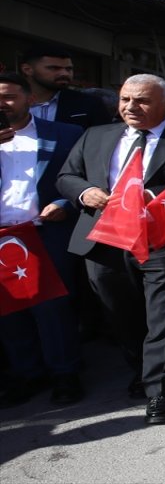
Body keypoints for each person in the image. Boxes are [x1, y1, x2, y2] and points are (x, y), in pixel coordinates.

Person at [56, 74, 165, 423]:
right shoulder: (96, 135)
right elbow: (67, 177)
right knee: (121, 311)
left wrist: (151, 196)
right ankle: (141, 367)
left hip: (161, 238)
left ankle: (160, 391)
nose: (131, 107)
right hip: (105, 238)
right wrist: (86, 193)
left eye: (142, 100)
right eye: (125, 99)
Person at [0, 74, 84, 408]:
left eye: (8, 96)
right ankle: (27, 373)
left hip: (44, 233)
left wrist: (64, 204)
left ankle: (65, 373)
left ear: (29, 99)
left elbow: (80, 177)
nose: (1, 104)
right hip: (3, 238)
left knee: (53, 308)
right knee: (8, 310)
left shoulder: (65, 134)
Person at [19, 46, 113, 129]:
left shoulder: (88, 104)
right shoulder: (9, 104)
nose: (64, 73)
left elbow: (103, 141)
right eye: (54, 68)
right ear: (27, 70)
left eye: (68, 69)